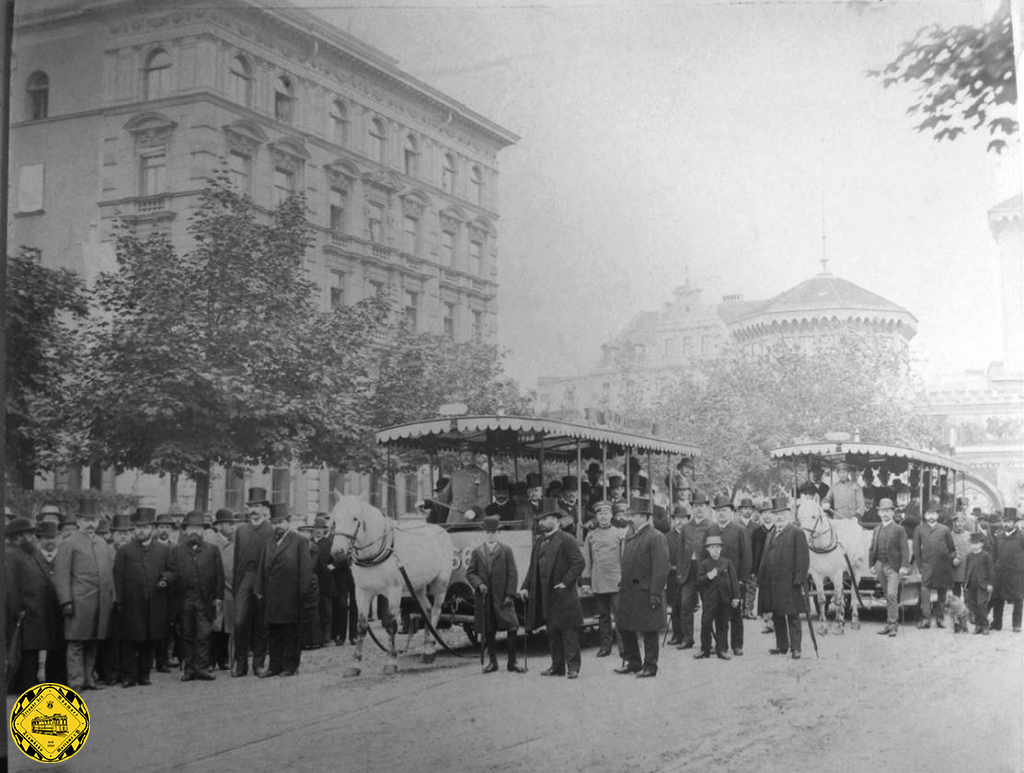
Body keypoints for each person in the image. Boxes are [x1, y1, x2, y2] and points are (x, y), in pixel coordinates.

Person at [54, 497, 117, 691]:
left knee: (93, 642)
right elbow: (61, 574)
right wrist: (65, 601)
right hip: (79, 601)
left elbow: (108, 573)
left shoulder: (102, 543)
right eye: (87, 520)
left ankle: (89, 679)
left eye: (94, 520)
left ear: (98, 521)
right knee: (76, 643)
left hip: (100, 601)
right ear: (78, 521)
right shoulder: (69, 543)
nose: (91, 524)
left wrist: (112, 597)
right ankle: (75, 682)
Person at [520, 509, 585, 679]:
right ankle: (557, 666)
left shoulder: (566, 540)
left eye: (545, 518)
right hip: (545, 593)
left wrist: (566, 582)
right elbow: (532, 568)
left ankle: (573, 667)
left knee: (568, 631)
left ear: (556, 520)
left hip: (563, 593)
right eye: (539, 519)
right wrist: (525, 586)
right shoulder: (539, 541)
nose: (541, 522)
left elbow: (579, 562)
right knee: (553, 631)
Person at [113, 507, 174, 688]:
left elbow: (172, 571)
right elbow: (118, 576)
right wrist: (119, 601)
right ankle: (129, 676)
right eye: (138, 527)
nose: (141, 531)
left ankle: (144, 675)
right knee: (130, 641)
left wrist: (165, 579)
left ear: (152, 529)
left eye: (145, 527)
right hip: (132, 603)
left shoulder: (162, 550)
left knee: (149, 640)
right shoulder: (125, 551)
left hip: (154, 603)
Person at [255, 503, 313, 676]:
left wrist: (303, 592)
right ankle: (274, 666)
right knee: (274, 632)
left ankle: (290, 666)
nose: (277, 526)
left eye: (280, 522)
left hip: (291, 594)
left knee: (291, 632)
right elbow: (261, 568)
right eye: (274, 522)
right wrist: (258, 589)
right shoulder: (268, 542)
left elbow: (306, 569)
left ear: (288, 522)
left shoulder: (299, 541)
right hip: (272, 594)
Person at [614, 498, 669, 677]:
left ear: (645, 517)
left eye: (634, 515)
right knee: (625, 626)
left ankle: (650, 666)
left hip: (646, 592)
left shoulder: (656, 537)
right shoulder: (631, 534)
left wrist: (655, 593)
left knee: (649, 630)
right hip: (629, 591)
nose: (630, 518)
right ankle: (634, 662)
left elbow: (661, 568)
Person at [7, 517, 63, 694]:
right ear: (18, 537)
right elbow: (10, 589)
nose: (33, 537)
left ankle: (31, 684)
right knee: (26, 654)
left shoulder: (32, 552)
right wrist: (18, 612)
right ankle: (24, 687)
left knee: (35, 651)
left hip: (40, 613)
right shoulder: (10, 554)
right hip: (25, 615)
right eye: (29, 534)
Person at [465, 515, 524, 673]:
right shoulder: (477, 552)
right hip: (486, 598)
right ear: (484, 533)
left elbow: (513, 574)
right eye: (488, 532)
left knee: (512, 626)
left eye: (493, 532)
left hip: (503, 597)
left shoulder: (506, 551)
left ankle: (513, 662)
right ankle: (492, 662)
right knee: (489, 630)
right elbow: (470, 573)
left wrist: (510, 595)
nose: (490, 535)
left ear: (498, 533)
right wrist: (479, 584)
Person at [171, 511, 224, 681]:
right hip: (184, 599)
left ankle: (202, 668)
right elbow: (171, 575)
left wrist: (218, 597)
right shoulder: (176, 551)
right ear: (185, 530)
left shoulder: (212, 550)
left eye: (198, 528)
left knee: (204, 634)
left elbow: (219, 575)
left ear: (203, 530)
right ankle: (189, 669)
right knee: (186, 634)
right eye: (191, 527)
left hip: (205, 599)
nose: (194, 531)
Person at [757, 497, 809, 658]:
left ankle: (796, 648)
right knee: (777, 614)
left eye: (782, 514)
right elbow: (765, 558)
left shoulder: (796, 533)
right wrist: (762, 579)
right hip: (773, 583)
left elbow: (803, 559)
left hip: (790, 583)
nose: (779, 517)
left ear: (788, 514)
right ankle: (782, 645)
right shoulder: (771, 533)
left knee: (792, 616)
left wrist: (798, 580)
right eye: (776, 514)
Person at [232, 487, 275, 676]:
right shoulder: (241, 530)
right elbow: (236, 560)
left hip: (263, 580)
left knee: (261, 622)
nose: (254, 510)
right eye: (251, 507)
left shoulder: (271, 530)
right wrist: (236, 586)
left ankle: (258, 663)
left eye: (258, 506)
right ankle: (240, 663)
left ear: (265, 509)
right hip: (244, 579)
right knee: (240, 621)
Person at [706, 495, 752, 656]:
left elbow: (746, 556)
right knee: (718, 614)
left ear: (731, 512)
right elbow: (706, 557)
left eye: (724, 510)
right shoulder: (710, 530)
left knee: (735, 614)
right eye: (718, 511)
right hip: (716, 582)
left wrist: (742, 579)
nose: (721, 513)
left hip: (734, 581)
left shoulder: (740, 530)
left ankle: (737, 644)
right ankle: (720, 645)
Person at [581, 501, 625, 657]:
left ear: (611, 515)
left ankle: (624, 648)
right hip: (599, 581)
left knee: (620, 616)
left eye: (606, 513)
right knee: (603, 616)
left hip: (616, 580)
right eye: (600, 514)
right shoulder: (591, 536)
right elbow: (587, 561)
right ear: (596, 516)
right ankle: (605, 647)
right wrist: (585, 582)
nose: (603, 517)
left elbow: (624, 558)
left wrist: (625, 578)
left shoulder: (620, 533)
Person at [694, 534, 741, 661]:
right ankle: (705, 649)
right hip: (710, 599)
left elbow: (734, 581)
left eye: (717, 547)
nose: (715, 550)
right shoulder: (703, 564)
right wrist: (708, 576)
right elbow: (698, 581)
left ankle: (722, 650)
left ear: (721, 549)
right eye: (712, 547)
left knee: (723, 624)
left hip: (725, 599)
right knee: (706, 623)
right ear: (707, 549)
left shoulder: (727, 562)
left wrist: (736, 597)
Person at [675, 491, 713, 650]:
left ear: (706, 508)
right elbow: (680, 551)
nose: (698, 509)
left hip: (704, 571)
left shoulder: (712, 526)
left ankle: (707, 641)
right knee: (685, 605)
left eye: (701, 506)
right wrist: (679, 571)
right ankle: (687, 638)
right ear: (692, 508)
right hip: (688, 572)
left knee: (709, 607)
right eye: (695, 506)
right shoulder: (686, 527)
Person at [912, 499, 957, 629]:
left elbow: (951, 548)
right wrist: (920, 566)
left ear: (938, 515)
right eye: (928, 513)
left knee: (942, 594)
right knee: (925, 592)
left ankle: (940, 618)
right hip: (927, 566)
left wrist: (950, 560)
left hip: (943, 566)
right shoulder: (919, 529)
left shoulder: (945, 529)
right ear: (924, 515)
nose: (931, 516)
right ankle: (926, 619)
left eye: (933, 513)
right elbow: (916, 550)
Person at [868, 498, 909, 637]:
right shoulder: (877, 529)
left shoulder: (899, 529)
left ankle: (893, 625)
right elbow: (872, 548)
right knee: (887, 594)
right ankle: (888, 623)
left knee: (892, 594)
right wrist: (872, 565)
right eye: (882, 511)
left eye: (888, 511)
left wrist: (904, 566)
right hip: (879, 565)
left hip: (894, 566)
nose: (885, 514)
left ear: (892, 512)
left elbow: (905, 549)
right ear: (879, 513)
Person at [33, 519, 67, 685]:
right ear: (39, 539)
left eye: (53, 537)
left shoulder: (63, 557)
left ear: (58, 539)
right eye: (46, 538)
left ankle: (56, 678)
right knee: (36, 644)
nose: (50, 541)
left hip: (60, 608)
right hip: (38, 608)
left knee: (59, 644)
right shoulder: (33, 557)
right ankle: (29, 679)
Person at [210, 509, 237, 671]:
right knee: (215, 626)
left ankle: (224, 659)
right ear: (219, 525)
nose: (232, 527)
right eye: (229, 524)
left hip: (230, 590)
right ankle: (211, 659)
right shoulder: (212, 542)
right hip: (217, 589)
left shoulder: (233, 542)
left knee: (228, 625)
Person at [438, 443, 491, 524]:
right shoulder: (455, 475)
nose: (465, 457)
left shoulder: (483, 475)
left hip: (475, 521)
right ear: (460, 457)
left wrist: (474, 511)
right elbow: (444, 497)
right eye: (463, 455)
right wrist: (426, 502)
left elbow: (484, 499)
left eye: (469, 454)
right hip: (454, 521)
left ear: (474, 456)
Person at [991, 508, 1024, 633]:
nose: (1006, 524)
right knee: (997, 599)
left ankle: (1016, 624)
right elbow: (994, 554)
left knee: (1018, 599)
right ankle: (997, 623)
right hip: (1000, 572)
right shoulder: (998, 536)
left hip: (1016, 573)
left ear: (1015, 523)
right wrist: (994, 567)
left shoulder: (1021, 537)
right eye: (1004, 521)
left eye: (1009, 522)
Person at [665, 504, 690, 646]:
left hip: (688, 576)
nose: (680, 521)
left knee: (686, 607)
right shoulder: (667, 537)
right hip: (673, 576)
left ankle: (687, 635)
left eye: (683, 518)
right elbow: (664, 557)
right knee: (675, 607)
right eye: (677, 519)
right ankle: (676, 634)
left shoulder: (691, 536)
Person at [310, 515, 336, 648]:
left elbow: (338, 561)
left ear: (324, 530)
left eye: (321, 528)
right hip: (313, 582)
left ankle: (327, 637)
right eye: (316, 528)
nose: (318, 531)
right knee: (315, 610)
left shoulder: (329, 543)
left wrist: (329, 568)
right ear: (313, 529)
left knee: (327, 610)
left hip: (326, 581)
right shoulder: (308, 543)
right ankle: (317, 638)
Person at [963, 533, 994, 634]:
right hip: (971, 584)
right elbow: (966, 570)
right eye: (972, 544)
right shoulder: (969, 555)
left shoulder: (986, 556)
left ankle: (985, 625)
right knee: (973, 605)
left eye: (977, 543)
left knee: (981, 604)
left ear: (981, 544)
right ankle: (978, 625)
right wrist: (965, 583)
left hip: (983, 584)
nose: (974, 546)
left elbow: (991, 571)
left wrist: (990, 584)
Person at [950, 513, 973, 598]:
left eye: (962, 521)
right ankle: (957, 610)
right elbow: (945, 551)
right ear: (954, 523)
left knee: (968, 593)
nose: (960, 523)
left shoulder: (970, 535)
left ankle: (967, 610)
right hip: (955, 568)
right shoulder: (949, 535)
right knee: (956, 594)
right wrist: (952, 559)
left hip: (967, 567)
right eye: (957, 521)